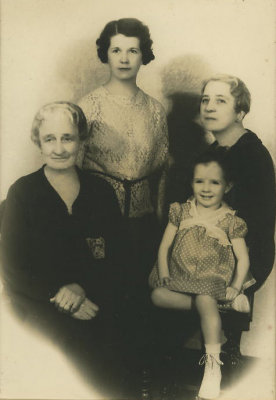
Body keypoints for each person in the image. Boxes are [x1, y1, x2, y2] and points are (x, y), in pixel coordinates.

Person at [0, 102, 126, 396]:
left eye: (67, 138)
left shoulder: (101, 193)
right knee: (62, 344)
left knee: (114, 342)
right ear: (38, 142)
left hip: (93, 295)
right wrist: (57, 293)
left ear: (81, 140)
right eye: (49, 139)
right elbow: (12, 265)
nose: (59, 148)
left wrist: (82, 290)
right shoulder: (23, 193)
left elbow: (118, 258)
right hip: (36, 299)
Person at [77, 17, 169, 379]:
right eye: (117, 49)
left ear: (143, 55)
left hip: (144, 223)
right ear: (106, 54)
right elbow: (73, 167)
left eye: (133, 50)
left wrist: (161, 227)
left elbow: (161, 169)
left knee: (140, 303)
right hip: (100, 221)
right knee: (105, 300)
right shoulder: (89, 105)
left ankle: (136, 378)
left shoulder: (155, 110)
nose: (125, 58)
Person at [149, 148, 250, 399]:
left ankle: (213, 368)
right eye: (199, 181)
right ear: (191, 182)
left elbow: (243, 258)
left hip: (210, 277)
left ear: (227, 186)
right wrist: (164, 273)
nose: (206, 188)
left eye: (214, 182)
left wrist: (236, 286)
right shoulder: (181, 211)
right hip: (180, 275)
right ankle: (220, 306)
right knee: (157, 296)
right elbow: (164, 246)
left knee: (205, 298)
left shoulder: (230, 220)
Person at [200, 74, 276, 360]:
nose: (209, 107)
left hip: (247, 256)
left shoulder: (252, 155)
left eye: (221, 101)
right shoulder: (213, 152)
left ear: (240, 111)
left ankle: (220, 357)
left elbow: (254, 225)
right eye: (205, 100)